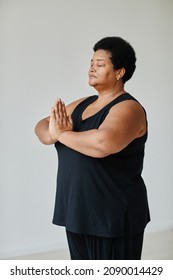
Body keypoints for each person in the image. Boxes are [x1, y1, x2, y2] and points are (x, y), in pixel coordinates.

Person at [35, 36, 150, 260]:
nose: (91, 68)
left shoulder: (129, 108)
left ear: (120, 72)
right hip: (78, 212)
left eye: (100, 64)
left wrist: (61, 134)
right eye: (90, 63)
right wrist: (54, 133)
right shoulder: (83, 103)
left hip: (113, 217)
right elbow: (41, 126)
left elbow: (102, 143)